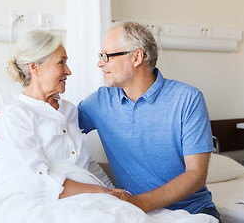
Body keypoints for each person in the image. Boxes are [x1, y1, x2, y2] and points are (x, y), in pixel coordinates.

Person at [77, 21, 221, 222]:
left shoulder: (187, 99)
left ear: (137, 57)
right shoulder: (100, 102)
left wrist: (138, 202)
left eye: (107, 56)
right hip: (134, 213)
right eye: (101, 56)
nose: (100, 63)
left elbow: (196, 175)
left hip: (191, 212)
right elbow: (57, 128)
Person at [0, 29, 114, 206]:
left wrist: (115, 193)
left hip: (85, 197)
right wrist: (102, 192)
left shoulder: (69, 110)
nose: (68, 71)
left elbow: (85, 165)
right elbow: (37, 184)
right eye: (61, 63)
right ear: (35, 67)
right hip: (41, 202)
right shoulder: (15, 116)